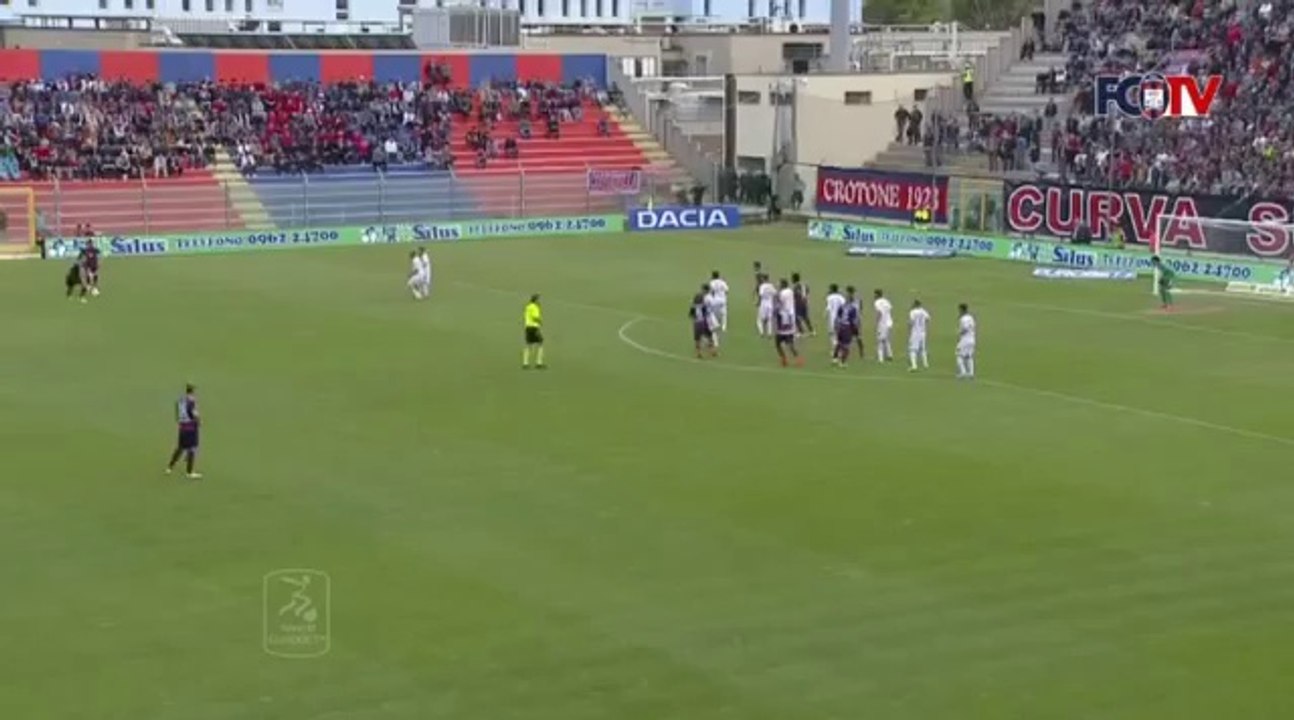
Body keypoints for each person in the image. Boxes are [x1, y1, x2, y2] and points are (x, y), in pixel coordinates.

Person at [166, 383, 202, 479]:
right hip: (190, 427)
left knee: (180, 447)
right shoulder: (191, 401)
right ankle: (189, 472)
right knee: (192, 449)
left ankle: (170, 467)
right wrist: (198, 421)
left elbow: (177, 414)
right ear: (193, 391)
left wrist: (180, 422)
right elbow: (193, 413)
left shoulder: (180, 400)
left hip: (182, 427)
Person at [834, 292, 859, 368]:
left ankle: (834, 358)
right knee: (847, 346)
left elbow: (837, 317)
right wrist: (855, 331)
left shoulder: (842, 306)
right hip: (847, 327)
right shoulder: (853, 308)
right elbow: (853, 321)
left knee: (839, 343)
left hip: (840, 326)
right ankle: (842, 362)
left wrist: (836, 326)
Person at [689, 291, 718, 359]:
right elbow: (707, 314)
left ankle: (699, 353)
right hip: (704, 323)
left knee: (697, 339)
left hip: (697, 324)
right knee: (709, 337)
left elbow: (691, 316)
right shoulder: (704, 306)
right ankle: (713, 351)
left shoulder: (693, 307)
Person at [522, 294, 545, 369]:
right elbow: (535, 317)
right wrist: (540, 321)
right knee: (540, 343)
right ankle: (539, 363)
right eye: (538, 299)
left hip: (527, 327)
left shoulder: (528, 306)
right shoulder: (535, 307)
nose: (539, 301)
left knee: (528, 344)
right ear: (535, 300)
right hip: (534, 327)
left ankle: (525, 363)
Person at [908, 299, 931, 372]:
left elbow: (911, 321)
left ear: (915, 304)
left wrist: (909, 328)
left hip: (915, 333)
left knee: (912, 350)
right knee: (922, 349)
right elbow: (928, 319)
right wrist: (923, 324)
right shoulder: (923, 311)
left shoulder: (912, 312)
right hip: (922, 332)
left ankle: (914, 366)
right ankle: (926, 364)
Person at [956, 303, 976, 379]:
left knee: (959, 355)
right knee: (969, 356)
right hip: (972, 339)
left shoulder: (963, 319)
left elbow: (965, 328)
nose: (959, 311)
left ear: (962, 310)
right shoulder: (971, 317)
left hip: (965, 340)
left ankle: (963, 372)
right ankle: (971, 373)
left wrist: (959, 333)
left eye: (959, 310)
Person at [873, 289, 894, 362]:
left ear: (877, 294)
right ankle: (889, 355)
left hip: (882, 323)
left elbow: (879, 312)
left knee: (880, 340)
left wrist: (876, 321)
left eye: (875, 294)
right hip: (889, 322)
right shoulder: (887, 301)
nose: (874, 296)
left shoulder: (877, 302)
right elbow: (889, 310)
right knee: (886, 339)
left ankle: (880, 358)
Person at [845, 286, 865, 358]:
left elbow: (860, 310)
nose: (849, 294)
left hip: (856, 322)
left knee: (859, 338)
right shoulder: (846, 301)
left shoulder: (858, 301)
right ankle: (847, 354)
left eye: (850, 293)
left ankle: (862, 353)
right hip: (849, 322)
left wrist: (858, 318)